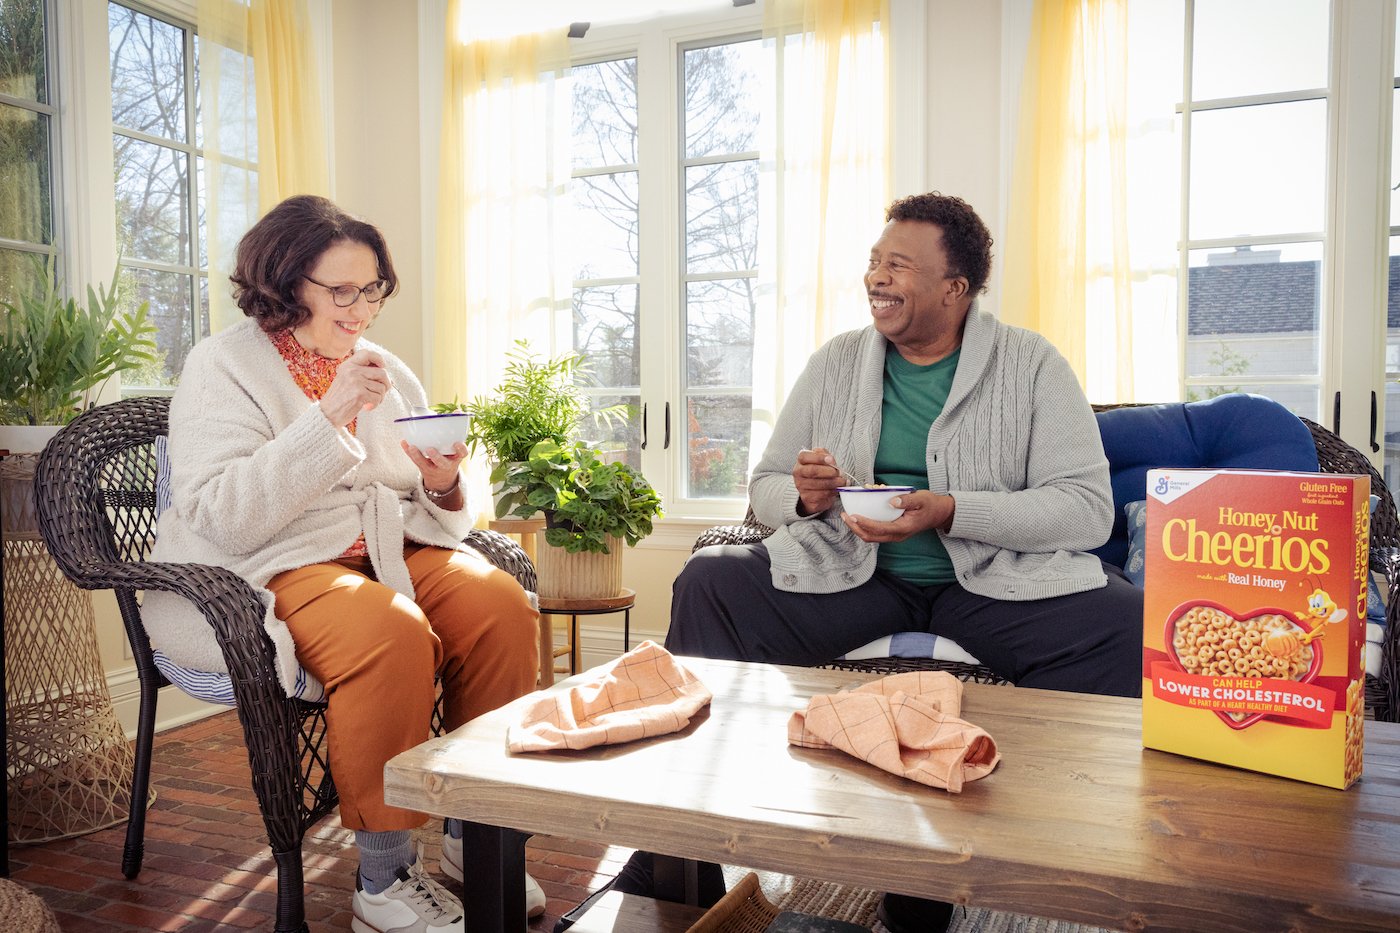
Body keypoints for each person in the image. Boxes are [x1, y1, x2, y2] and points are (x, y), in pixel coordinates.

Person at [653, 192, 1143, 933]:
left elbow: (1085, 508)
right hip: (854, 575)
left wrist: (951, 508)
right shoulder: (837, 361)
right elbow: (767, 485)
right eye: (875, 262)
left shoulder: (1032, 363)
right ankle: (677, 854)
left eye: (899, 266)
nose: (877, 278)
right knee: (710, 582)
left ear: (957, 287)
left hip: (991, 584)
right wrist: (809, 496)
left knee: (1127, 624)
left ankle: (1051, 859)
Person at [143, 195, 543, 933]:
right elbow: (223, 514)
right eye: (343, 290)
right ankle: (386, 879)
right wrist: (326, 417)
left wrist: (444, 481)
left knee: (500, 605)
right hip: (275, 560)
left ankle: (476, 833)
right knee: (388, 632)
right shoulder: (220, 367)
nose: (361, 309)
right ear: (287, 281)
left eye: (373, 289)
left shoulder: (384, 369)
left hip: (391, 546)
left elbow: (442, 508)